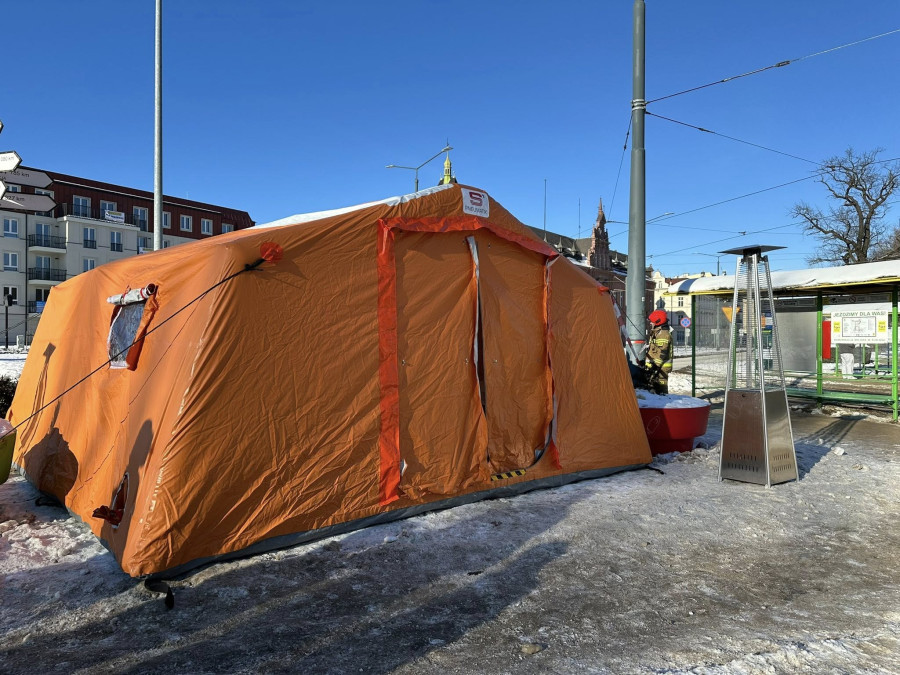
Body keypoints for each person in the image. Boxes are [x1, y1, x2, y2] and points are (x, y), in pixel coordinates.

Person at [645, 310, 673, 395]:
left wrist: (654, 367)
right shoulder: (658, 332)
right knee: (656, 388)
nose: (650, 323)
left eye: (652, 322)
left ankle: (664, 404)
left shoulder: (663, 334)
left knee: (661, 388)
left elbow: (661, 352)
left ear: (658, 321)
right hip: (659, 366)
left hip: (662, 368)